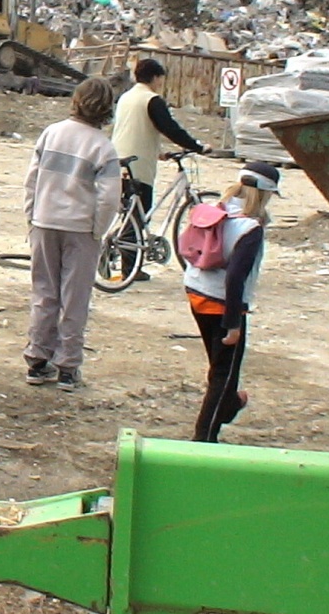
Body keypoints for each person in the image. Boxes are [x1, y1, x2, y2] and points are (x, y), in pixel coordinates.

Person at [22, 77, 122, 391]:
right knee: (75, 298)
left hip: (45, 221)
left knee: (44, 293)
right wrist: (98, 230)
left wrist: (32, 216)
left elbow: (31, 180)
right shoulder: (103, 147)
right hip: (80, 228)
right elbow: (109, 198)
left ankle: (38, 359)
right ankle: (67, 367)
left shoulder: (51, 133)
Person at [182, 163, 280, 442]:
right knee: (224, 374)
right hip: (223, 303)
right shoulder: (251, 228)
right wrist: (233, 324)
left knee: (218, 367)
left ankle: (229, 405)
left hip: (196, 292)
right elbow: (235, 278)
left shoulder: (215, 211)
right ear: (264, 195)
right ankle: (205, 436)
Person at [111, 58, 211, 281]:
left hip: (118, 160)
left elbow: (135, 129)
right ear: (156, 78)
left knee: (128, 214)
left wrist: (159, 152)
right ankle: (130, 269)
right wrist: (196, 146)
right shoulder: (152, 100)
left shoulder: (127, 97)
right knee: (137, 217)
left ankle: (126, 263)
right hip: (139, 166)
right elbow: (171, 129)